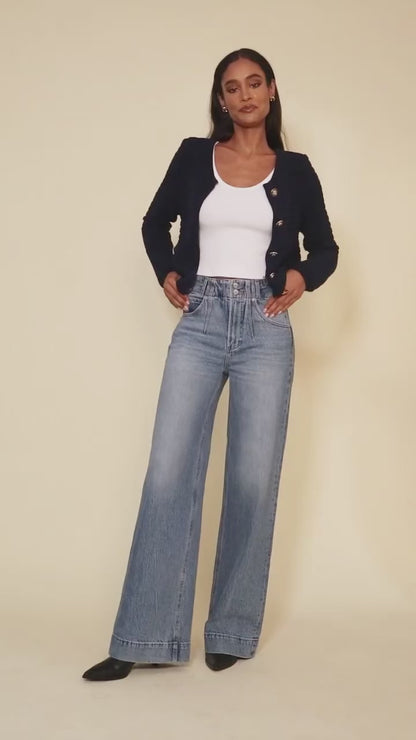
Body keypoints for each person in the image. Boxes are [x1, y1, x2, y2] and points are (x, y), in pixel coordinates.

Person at [82, 48, 339, 681]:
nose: (244, 95)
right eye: (232, 87)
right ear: (220, 99)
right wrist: (168, 271)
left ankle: (230, 629)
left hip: (265, 327)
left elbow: (326, 248)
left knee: (252, 480)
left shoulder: (296, 170)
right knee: (168, 472)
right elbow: (155, 223)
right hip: (200, 321)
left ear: (271, 91)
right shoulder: (195, 156)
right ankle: (144, 635)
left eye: (254, 83)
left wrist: (302, 277)